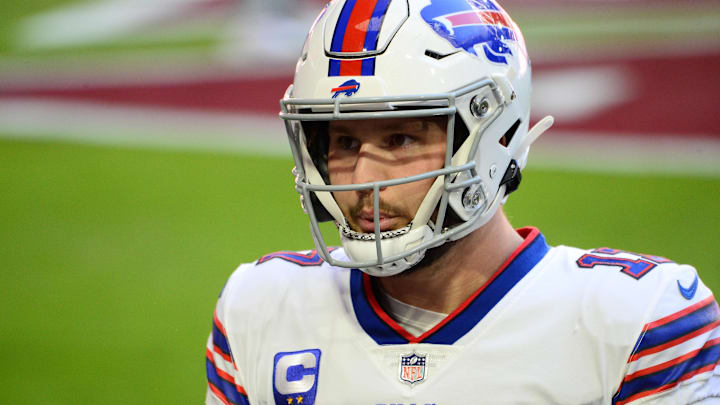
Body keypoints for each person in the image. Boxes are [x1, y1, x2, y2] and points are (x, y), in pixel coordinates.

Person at [205, 0, 720, 403]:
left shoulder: (638, 322)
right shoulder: (260, 306)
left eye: (400, 140)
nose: (361, 178)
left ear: (494, 136)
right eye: (341, 143)